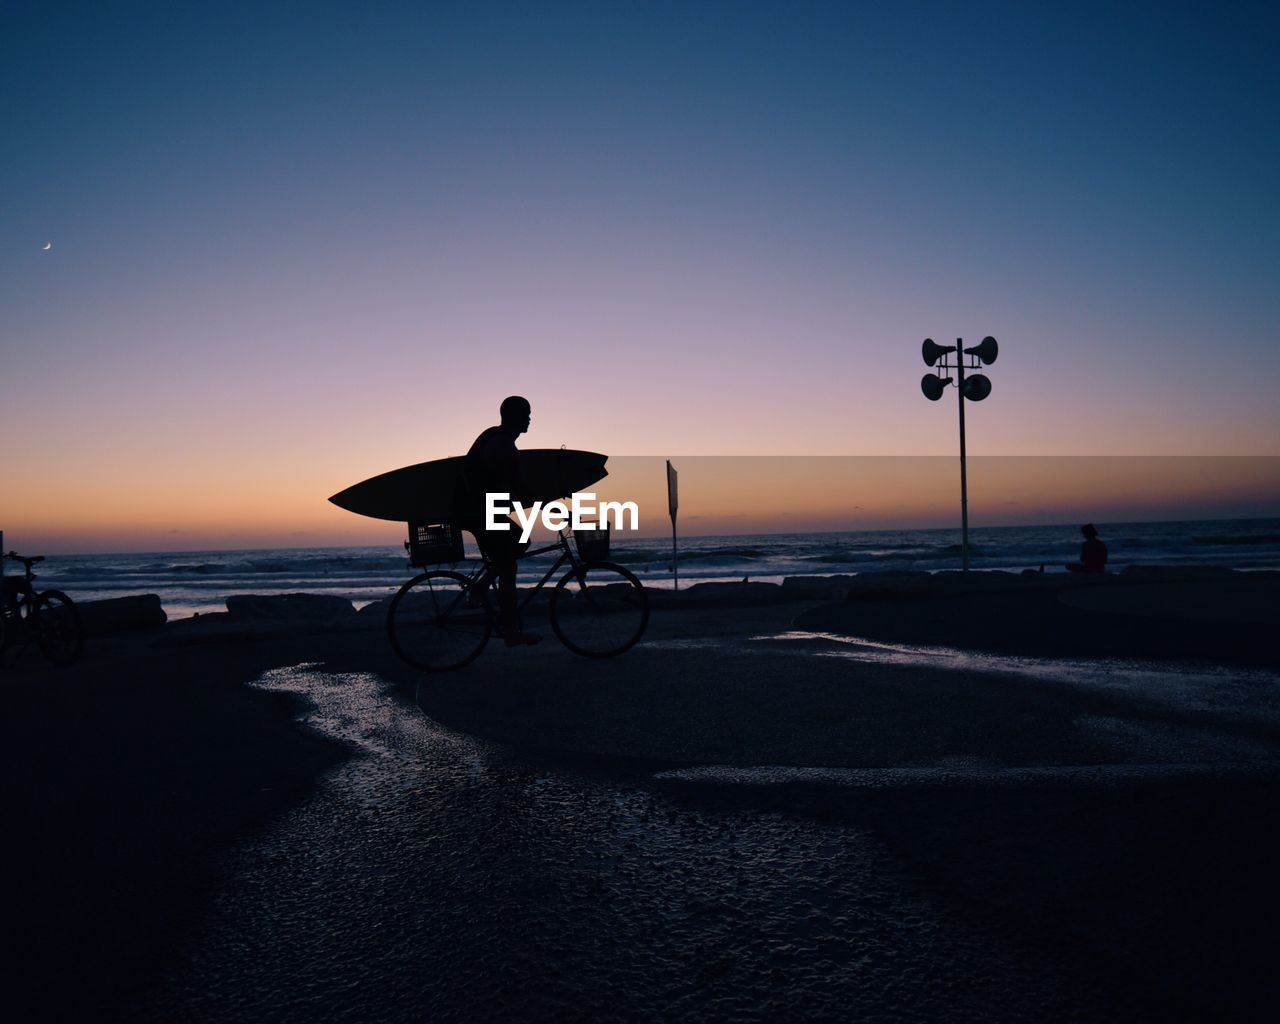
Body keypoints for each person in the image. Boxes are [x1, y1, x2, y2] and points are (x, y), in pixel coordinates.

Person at [455, 396, 541, 645]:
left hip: (479, 509)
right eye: (526, 414)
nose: (529, 419)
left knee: (517, 545)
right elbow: (518, 487)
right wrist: (547, 505)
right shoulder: (502, 445)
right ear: (513, 416)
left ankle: (481, 587)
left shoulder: (494, 436)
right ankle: (511, 632)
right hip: (477, 511)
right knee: (508, 565)